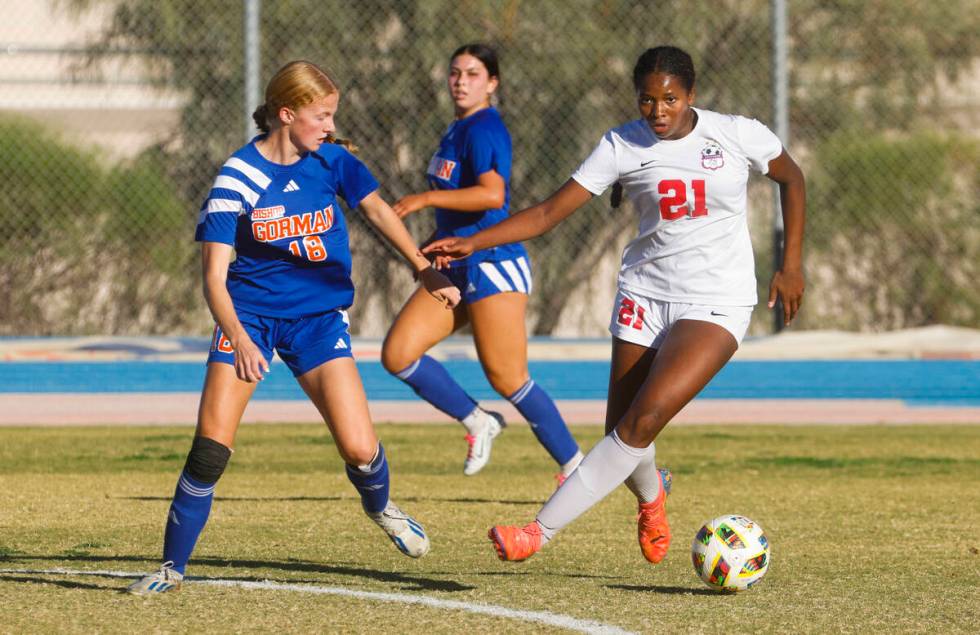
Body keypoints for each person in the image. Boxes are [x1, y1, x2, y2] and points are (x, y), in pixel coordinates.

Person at [425, 45, 806, 564]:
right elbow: (548, 214)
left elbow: (792, 178)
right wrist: (476, 241)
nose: (658, 112)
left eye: (670, 99)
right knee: (621, 433)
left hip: (717, 299)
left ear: (691, 95)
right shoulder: (621, 144)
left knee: (642, 422)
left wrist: (791, 264)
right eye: (647, 101)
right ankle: (653, 498)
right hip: (644, 295)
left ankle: (537, 533)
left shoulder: (737, 132)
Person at [127, 60, 460, 595]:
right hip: (249, 319)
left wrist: (423, 269)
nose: (330, 126)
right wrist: (238, 338)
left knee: (358, 449)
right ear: (287, 114)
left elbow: (377, 212)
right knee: (211, 448)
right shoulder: (237, 177)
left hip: (317, 320)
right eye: (321, 115)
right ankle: (171, 567)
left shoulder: (333, 162)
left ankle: (382, 508)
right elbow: (213, 277)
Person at [381, 44, 583, 481]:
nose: (460, 81)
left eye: (473, 73)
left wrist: (425, 198)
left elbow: (493, 195)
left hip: (492, 261)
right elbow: (460, 208)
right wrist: (433, 241)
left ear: (492, 83)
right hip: (455, 262)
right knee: (398, 354)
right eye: (455, 72)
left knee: (508, 377)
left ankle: (576, 467)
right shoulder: (456, 130)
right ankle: (478, 421)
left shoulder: (485, 128)